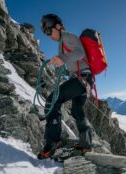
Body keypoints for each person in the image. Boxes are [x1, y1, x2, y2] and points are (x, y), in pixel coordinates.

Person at [37, 14, 93, 159]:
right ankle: (86, 143)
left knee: (52, 100)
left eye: (49, 31)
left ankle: (53, 142)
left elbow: (80, 52)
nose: (48, 36)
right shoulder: (63, 42)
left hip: (82, 79)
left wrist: (62, 58)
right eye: (45, 34)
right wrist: (62, 67)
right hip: (85, 80)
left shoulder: (68, 37)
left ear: (58, 26)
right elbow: (76, 62)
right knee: (77, 109)